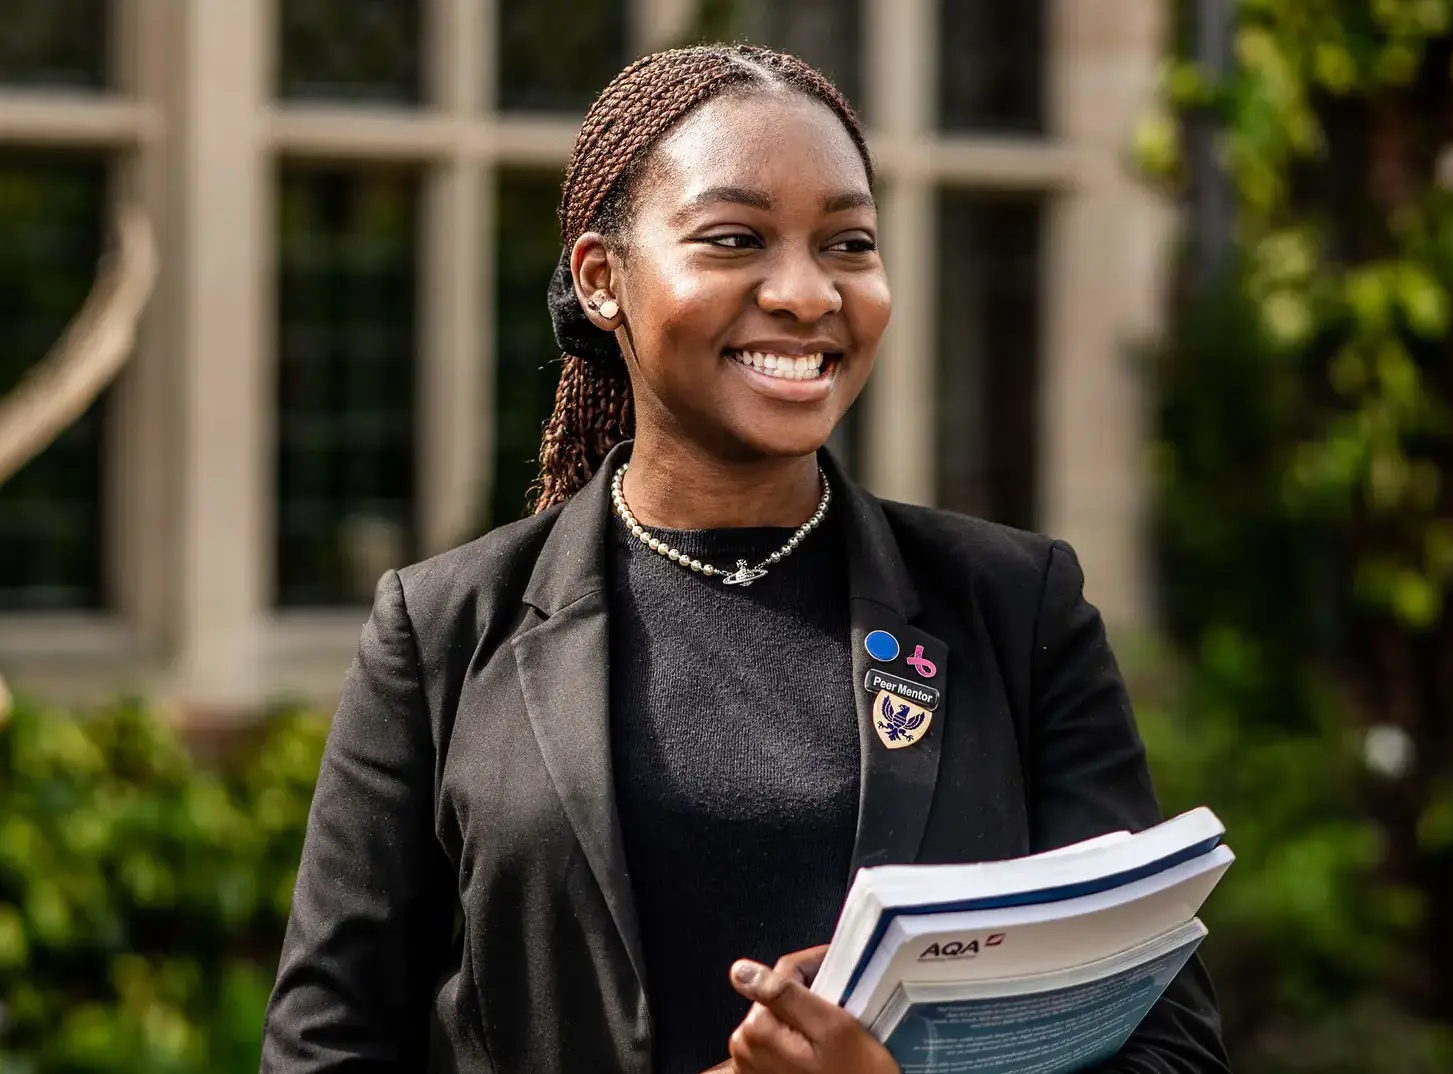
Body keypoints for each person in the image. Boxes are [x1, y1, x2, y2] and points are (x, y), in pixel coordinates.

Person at [259, 44, 1229, 1074]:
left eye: (848, 243)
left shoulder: (1016, 609)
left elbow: (1167, 1046)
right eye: (734, 239)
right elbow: (327, 1050)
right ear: (601, 279)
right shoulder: (445, 628)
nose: (808, 294)